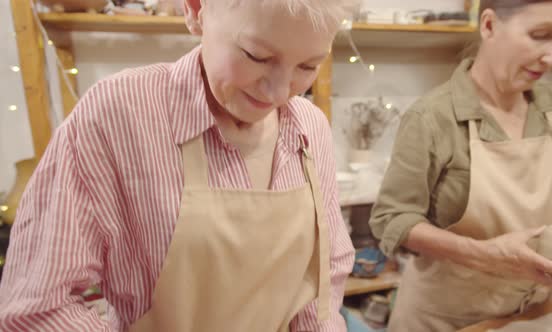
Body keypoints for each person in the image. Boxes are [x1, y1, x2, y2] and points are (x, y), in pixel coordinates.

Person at [0, 0, 360, 330]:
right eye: (256, 56)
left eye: (308, 65)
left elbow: (323, 281)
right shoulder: (119, 115)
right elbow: (40, 307)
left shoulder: (309, 127)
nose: (280, 93)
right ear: (196, 9)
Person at [369, 0, 552, 331]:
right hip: (447, 319)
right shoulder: (432, 117)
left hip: (534, 314)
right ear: (488, 26)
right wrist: (483, 254)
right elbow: (391, 220)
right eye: (541, 35)